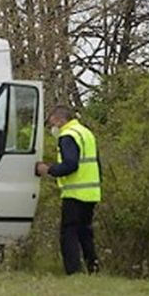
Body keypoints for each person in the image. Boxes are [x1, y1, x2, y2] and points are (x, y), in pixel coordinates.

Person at [34, 105, 101, 275]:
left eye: (51, 124)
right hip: (91, 191)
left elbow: (71, 164)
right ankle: (93, 268)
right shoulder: (85, 133)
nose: (51, 128)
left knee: (69, 232)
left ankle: (73, 271)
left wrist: (49, 170)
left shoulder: (67, 136)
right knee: (85, 233)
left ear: (58, 119)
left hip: (75, 192)